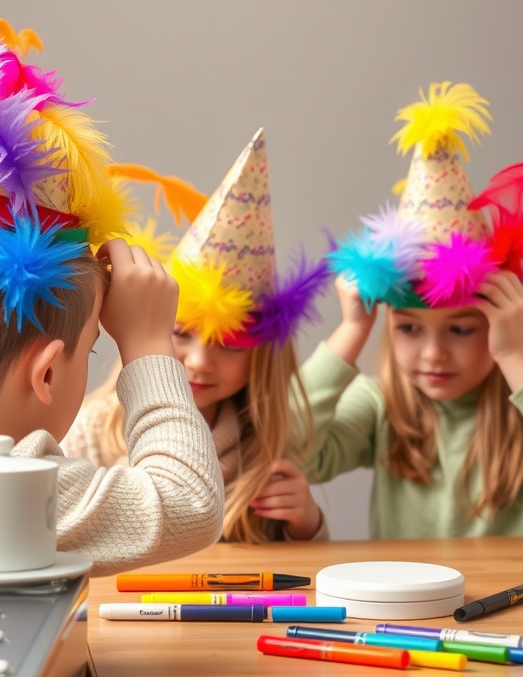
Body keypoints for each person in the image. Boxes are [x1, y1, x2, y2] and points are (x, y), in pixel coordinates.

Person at [0, 18, 224, 575]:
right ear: (45, 374)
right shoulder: (13, 488)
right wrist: (146, 344)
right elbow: (187, 501)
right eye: (90, 350)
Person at [300, 82, 523, 538]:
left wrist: (517, 355)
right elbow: (294, 449)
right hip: (411, 610)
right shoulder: (384, 405)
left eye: (460, 330)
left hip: (520, 605)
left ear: (503, 323)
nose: (433, 354)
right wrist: (352, 329)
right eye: (410, 328)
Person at [63, 128, 331, 542]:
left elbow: (290, 565)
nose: (202, 361)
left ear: (261, 355)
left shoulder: (263, 444)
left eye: (229, 344)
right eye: (181, 334)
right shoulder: (92, 433)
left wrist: (306, 524)